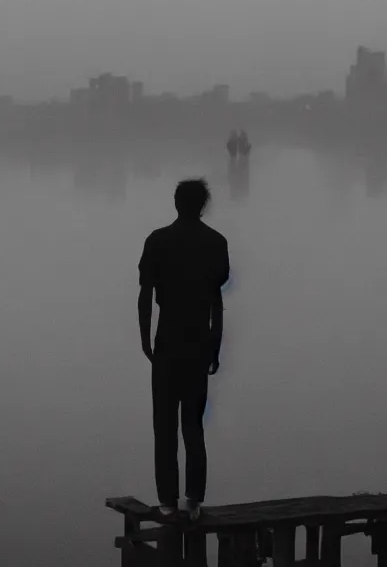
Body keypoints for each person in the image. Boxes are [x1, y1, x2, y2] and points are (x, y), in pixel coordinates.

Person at [138, 178, 230, 521]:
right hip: (198, 342)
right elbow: (216, 301)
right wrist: (216, 346)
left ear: (177, 203)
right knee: (193, 424)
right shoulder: (215, 243)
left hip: (167, 340)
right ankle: (193, 500)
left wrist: (145, 339)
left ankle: (167, 500)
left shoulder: (158, 241)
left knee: (164, 425)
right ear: (202, 205)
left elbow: (146, 295)